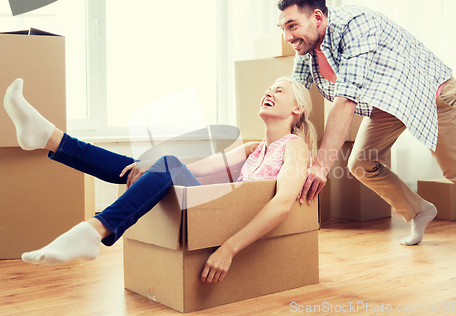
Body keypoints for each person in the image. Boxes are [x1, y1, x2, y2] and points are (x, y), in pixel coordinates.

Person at [3, 76, 317, 283]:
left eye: (279, 90)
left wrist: (228, 249)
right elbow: (192, 171)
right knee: (151, 165)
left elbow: (282, 204)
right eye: (268, 88)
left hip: (221, 221)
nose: (268, 92)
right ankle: (50, 138)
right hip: (208, 208)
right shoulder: (252, 148)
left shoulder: (296, 147)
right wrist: (151, 166)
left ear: (297, 108)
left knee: (163, 164)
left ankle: (94, 226)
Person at [277, 0, 456, 245]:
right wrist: (276, 148)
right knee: (361, 164)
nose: (287, 36)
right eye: (282, 29)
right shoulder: (306, 48)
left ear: (316, 17)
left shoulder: (356, 24)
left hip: (432, 92)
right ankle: (419, 210)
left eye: (292, 26)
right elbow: (296, 96)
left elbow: (346, 100)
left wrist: (321, 167)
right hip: (390, 101)